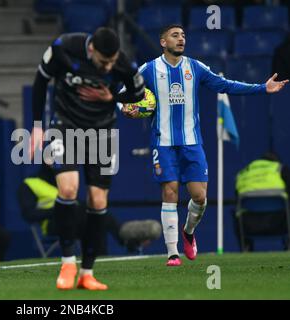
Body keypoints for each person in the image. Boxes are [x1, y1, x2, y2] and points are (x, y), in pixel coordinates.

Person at [120, 24, 288, 266]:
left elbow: (226, 85)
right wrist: (127, 108)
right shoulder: (148, 70)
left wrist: (263, 88)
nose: (181, 39)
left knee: (199, 197)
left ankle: (188, 232)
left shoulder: (194, 67)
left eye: (183, 35)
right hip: (163, 143)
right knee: (170, 192)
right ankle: (172, 253)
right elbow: (122, 96)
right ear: (163, 42)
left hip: (192, 143)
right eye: (175, 35)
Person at [29, 27, 146, 290]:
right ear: (91, 49)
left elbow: (139, 94)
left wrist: (113, 96)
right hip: (65, 124)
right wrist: (37, 126)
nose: (109, 67)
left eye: (113, 62)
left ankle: (87, 272)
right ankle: (68, 262)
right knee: (68, 188)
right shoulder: (64, 48)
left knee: (98, 199)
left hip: (102, 130)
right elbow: (40, 81)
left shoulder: (123, 63)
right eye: (104, 62)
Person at [18, 165, 162, 255]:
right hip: (53, 225)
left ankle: (104, 257)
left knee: (93, 213)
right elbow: (28, 214)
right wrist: (60, 210)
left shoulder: (63, 180)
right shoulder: (30, 184)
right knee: (89, 212)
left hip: (76, 219)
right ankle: (125, 239)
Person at [234, 152, 290, 251]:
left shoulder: (243, 173)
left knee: (236, 212)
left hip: (249, 224)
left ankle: (246, 249)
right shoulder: (280, 168)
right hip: (280, 221)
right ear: (275, 162)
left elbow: (237, 198)